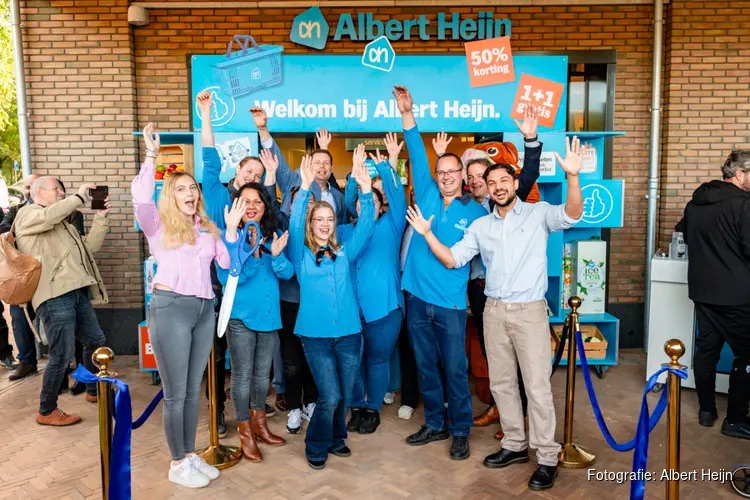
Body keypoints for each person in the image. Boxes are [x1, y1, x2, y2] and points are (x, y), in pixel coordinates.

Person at [405, 135, 584, 491]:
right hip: (494, 310)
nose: (499, 187)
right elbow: (453, 259)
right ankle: (515, 445)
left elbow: (573, 213)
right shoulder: (481, 225)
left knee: (536, 387)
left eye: (505, 181)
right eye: (492, 183)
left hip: (530, 311)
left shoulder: (537, 214)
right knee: (501, 384)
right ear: (484, 188)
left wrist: (574, 177)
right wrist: (425, 233)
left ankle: (547, 456)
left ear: (516, 184)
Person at [133, 122, 230, 489]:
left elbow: (225, 263)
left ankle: (189, 455)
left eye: (193, 188)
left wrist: (230, 230)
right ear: (171, 196)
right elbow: (141, 198)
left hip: (205, 309)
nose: (190, 192)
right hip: (170, 307)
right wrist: (152, 155)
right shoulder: (156, 225)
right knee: (175, 393)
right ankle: (177, 462)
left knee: (192, 389)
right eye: (182, 189)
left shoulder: (206, 228)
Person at [395, 85, 487, 461]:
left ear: (462, 175)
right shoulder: (428, 195)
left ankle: (460, 430)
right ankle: (435, 423)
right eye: (441, 171)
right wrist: (407, 112)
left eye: (453, 171)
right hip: (416, 297)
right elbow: (415, 147)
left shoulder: (477, 214)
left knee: (454, 369)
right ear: (435, 175)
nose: (447, 176)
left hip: (449, 303)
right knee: (425, 366)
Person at [287, 149, 376, 470]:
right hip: (316, 336)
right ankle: (316, 443)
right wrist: (305, 185)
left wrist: (366, 191)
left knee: (345, 394)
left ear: (334, 224)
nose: (324, 225)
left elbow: (367, 224)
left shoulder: (345, 251)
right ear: (311, 224)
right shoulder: (301, 253)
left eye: (329, 220)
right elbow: (296, 223)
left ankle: (337, 438)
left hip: (350, 334)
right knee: (330, 395)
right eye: (318, 220)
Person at [198, 91, 281, 435]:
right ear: (238, 170)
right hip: (214, 284)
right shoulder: (219, 195)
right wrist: (205, 115)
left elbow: (270, 207)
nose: (253, 177)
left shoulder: (256, 211)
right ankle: (219, 417)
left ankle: (252, 420)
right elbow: (209, 161)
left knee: (249, 365)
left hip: (246, 289)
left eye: (259, 175)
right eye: (249, 170)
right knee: (216, 358)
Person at [458, 106, 542, 438]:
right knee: (497, 356)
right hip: (481, 292)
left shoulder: (506, 201)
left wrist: (531, 140)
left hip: (517, 295)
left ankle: (521, 418)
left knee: (520, 357)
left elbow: (530, 172)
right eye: (474, 176)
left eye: (484, 176)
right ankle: (501, 408)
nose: (478, 181)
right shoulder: (465, 206)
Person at [14, 176, 110, 426]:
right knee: (62, 353)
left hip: (76, 292)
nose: (61, 192)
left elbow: (90, 248)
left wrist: (100, 217)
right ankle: (46, 410)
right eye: (56, 189)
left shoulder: (62, 224)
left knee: (95, 341)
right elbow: (48, 217)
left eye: (62, 190)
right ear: (38, 193)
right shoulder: (27, 215)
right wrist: (77, 197)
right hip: (54, 295)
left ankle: (91, 388)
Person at [250, 108, 318, 434]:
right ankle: (293, 406)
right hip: (288, 302)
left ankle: (312, 403)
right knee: (290, 359)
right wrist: (264, 131)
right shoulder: (279, 223)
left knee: (314, 356)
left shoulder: (319, 229)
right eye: (292, 195)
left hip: (315, 302)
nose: (296, 200)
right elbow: (270, 192)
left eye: (301, 195)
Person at [217, 181, 293, 462]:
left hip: (269, 316)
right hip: (241, 318)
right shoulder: (229, 238)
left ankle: (260, 424)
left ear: (265, 207)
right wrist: (251, 252)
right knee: (242, 376)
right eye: (245, 201)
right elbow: (228, 278)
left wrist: (274, 256)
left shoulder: (274, 236)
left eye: (257, 201)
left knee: (263, 376)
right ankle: (246, 432)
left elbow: (287, 274)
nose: (251, 206)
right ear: (236, 206)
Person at [681, 149, 750, 439]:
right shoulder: (743, 205)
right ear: (739, 174)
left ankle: (706, 410)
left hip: (702, 291)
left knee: (706, 349)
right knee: (746, 354)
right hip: (738, 295)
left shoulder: (694, 203)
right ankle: (735, 419)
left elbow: (686, 237)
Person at [343, 139, 407, 434]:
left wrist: (388, 163)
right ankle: (357, 404)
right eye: (361, 201)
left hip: (384, 308)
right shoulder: (346, 231)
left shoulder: (392, 225)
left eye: (373, 200)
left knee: (377, 360)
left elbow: (397, 197)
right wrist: (357, 174)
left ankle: (373, 409)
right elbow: (349, 200)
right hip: (351, 309)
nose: (366, 204)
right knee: (354, 361)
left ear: (382, 207)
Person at [267, 112, 347, 225]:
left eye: (326, 163)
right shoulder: (294, 184)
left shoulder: (338, 196)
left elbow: (342, 226)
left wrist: (324, 147)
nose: (322, 166)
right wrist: (263, 131)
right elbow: (279, 162)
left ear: (331, 168)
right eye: (317, 162)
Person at [2, 173, 40, 382]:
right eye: (26, 187)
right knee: (18, 317)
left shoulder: (62, 211)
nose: (28, 190)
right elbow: (3, 230)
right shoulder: (16, 210)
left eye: (32, 186)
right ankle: (26, 361)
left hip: (48, 275)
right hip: (23, 276)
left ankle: (63, 361)